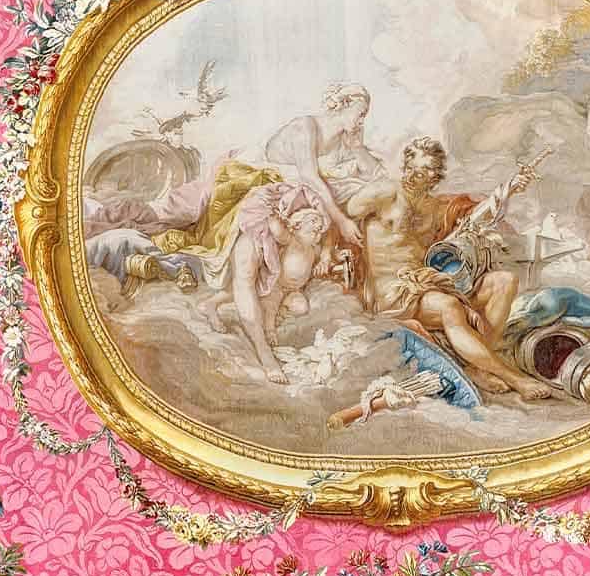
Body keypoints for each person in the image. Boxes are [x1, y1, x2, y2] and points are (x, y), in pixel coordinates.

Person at [346, 138, 551, 401]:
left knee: (505, 281)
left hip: (428, 283)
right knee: (449, 306)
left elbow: (475, 219)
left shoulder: (436, 208)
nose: (416, 174)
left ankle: (478, 366)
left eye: (426, 169)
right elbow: (344, 215)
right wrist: (330, 251)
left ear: (436, 175)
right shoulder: (385, 192)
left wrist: (509, 190)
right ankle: (514, 378)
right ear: (406, 165)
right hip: (392, 290)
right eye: (412, 166)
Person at [200, 185, 333, 384]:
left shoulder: (312, 234)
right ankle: (264, 350)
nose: (317, 230)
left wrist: (327, 255)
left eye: (318, 227)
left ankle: (212, 303)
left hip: (286, 279)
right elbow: (279, 230)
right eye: (313, 224)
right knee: (253, 282)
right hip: (256, 223)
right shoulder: (287, 233)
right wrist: (272, 215)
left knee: (273, 294)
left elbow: (326, 230)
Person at [261, 83, 385, 248]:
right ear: (345, 104)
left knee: (378, 191)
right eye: (361, 114)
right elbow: (310, 177)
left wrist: (357, 147)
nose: (362, 121)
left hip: (315, 191)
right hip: (284, 185)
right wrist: (342, 221)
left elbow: (376, 175)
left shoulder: (345, 137)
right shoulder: (305, 127)